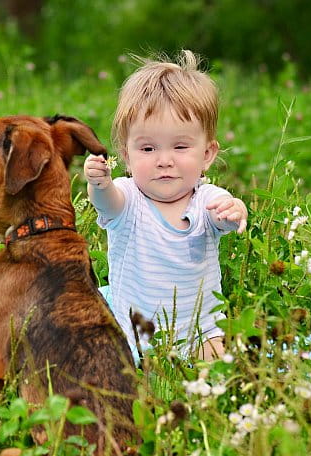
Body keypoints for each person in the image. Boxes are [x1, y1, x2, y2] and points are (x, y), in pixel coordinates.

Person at [83, 51, 248, 361]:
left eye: (181, 146)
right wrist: (99, 184)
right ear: (127, 155)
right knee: (119, 370)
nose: (164, 160)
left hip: (201, 331)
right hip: (135, 335)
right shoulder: (128, 197)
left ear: (207, 154)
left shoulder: (205, 198)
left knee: (216, 364)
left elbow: (223, 211)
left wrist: (234, 210)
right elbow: (108, 203)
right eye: (147, 148)